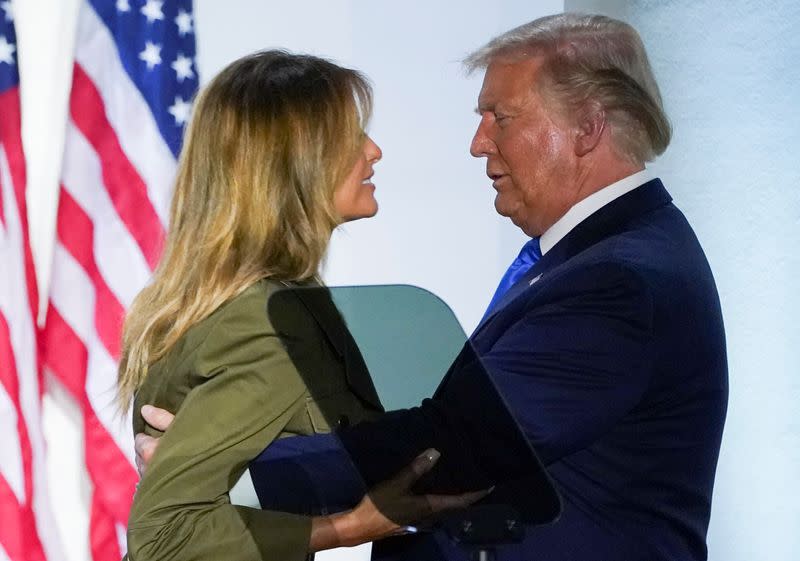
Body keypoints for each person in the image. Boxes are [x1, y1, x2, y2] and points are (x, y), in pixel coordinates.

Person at [137, 13, 728, 561]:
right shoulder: (600, 259)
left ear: (587, 127)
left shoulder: (618, 281)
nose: (478, 142)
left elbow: (462, 439)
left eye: (501, 116)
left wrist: (239, 470)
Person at [119, 50, 488, 561]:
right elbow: (165, 536)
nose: (374, 151)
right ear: (292, 161)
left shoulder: (265, 302)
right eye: (351, 136)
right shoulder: (263, 322)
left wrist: (245, 471)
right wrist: (350, 526)